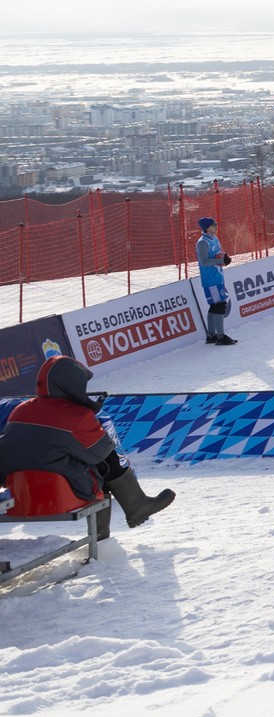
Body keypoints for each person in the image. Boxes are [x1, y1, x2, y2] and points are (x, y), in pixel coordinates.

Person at [0, 355, 175, 527]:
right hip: (56, 495)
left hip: (17, 493)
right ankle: (132, 510)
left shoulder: (20, 410)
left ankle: (131, 511)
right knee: (102, 464)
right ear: (72, 384)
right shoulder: (77, 415)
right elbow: (102, 451)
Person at [194, 216, 235, 344]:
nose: (216, 226)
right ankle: (220, 336)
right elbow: (204, 261)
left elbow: (217, 254)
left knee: (215, 306)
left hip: (218, 276)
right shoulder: (202, 242)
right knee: (220, 305)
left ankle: (211, 335)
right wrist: (220, 260)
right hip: (210, 279)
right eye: (213, 225)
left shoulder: (214, 239)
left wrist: (224, 257)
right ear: (207, 228)